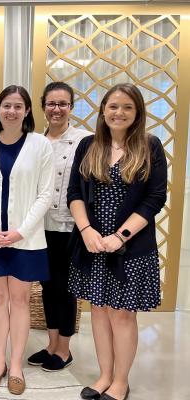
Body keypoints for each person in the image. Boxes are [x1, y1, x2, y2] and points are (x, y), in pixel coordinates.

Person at [68, 83, 166, 400]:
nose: (119, 112)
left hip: (131, 247)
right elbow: (74, 194)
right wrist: (87, 231)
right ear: (102, 110)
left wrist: (119, 236)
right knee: (98, 310)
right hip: (93, 244)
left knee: (122, 314)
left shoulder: (150, 146)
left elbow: (154, 199)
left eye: (127, 107)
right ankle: (104, 375)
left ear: (137, 113)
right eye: (113, 106)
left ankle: (121, 381)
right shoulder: (88, 145)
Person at [0, 85, 53, 396]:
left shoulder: (40, 145)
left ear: (28, 111)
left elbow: (46, 195)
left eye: (18, 106)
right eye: (6, 105)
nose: (12, 111)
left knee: (19, 302)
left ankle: (16, 365)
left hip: (26, 240)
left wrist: (20, 232)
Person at [27, 82, 92, 372]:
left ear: (71, 107)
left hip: (71, 226)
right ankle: (52, 344)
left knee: (66, 289)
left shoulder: (85, 140)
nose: (56, 109)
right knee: (47, 287)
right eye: (51, 103)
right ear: (43, 106)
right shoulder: (34, 142)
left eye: (63, 104)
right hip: (40, 227)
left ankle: (64, 349)